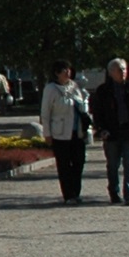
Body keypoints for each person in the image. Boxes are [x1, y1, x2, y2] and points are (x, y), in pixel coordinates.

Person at [93, 56, 129, 205]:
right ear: (111, 72)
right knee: (113, 165)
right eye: (119, 69)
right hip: (112, 133)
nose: (123, 72)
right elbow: (98, 112)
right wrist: (101, 129)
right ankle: (114, 192)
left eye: (124, 69)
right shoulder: (103, 90)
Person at [39, 61, 90, 204]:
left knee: (79, 163)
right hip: (60, 133)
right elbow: (45, 113)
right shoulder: (50, 89)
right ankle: (68, 195)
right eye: (63, 70)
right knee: (64, 165)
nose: (67, 72)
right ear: (56, 73)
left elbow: (82, 107)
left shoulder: (74, 87)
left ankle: (76, 192)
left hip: (77, 132)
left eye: (68, 70)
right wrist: (47, 134)